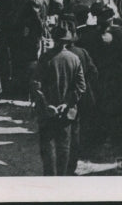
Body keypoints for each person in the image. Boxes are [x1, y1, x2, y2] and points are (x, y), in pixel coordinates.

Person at [30, 24, 86, 176]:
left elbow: (36, 85)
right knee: (64, 146)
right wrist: (66, 104)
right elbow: (81, 87)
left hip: (46, 111)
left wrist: (47, 105)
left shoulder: (45, 58)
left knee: (47, 144)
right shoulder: (74, 59)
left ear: (54, 39)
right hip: (66, 112)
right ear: (67, 41)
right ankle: (61, 177)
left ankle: (49, 176)